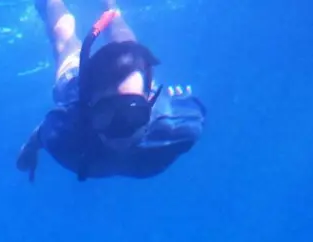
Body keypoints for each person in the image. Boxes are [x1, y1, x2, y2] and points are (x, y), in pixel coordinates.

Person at [16, 0, 206, 182]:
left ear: (151, 100)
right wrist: (31, 147)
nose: (121, 130)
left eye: (132, 113)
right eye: (105, 114)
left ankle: (110, 6)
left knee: (127, 48)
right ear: (88, 110)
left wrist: (31, 148)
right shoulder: (64, 134)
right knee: (63, 37)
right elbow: (43, 131)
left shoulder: (180, 128)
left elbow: (44, 131)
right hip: (75, 88)